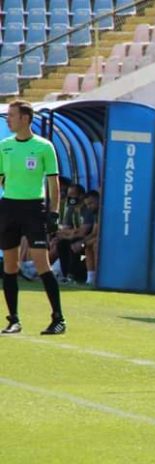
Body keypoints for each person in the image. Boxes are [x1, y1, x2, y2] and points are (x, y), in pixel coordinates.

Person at [0, 100, 66, 335]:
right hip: (9, 208)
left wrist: (54, 213)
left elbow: (53, 183)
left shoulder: (44, 147)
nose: (8, 120)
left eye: (12, 115)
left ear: (25, 118)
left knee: (41, 263)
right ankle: (14, 319)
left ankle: (58, 318)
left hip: (33, 209)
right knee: (10, 266)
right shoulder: (4, 146)